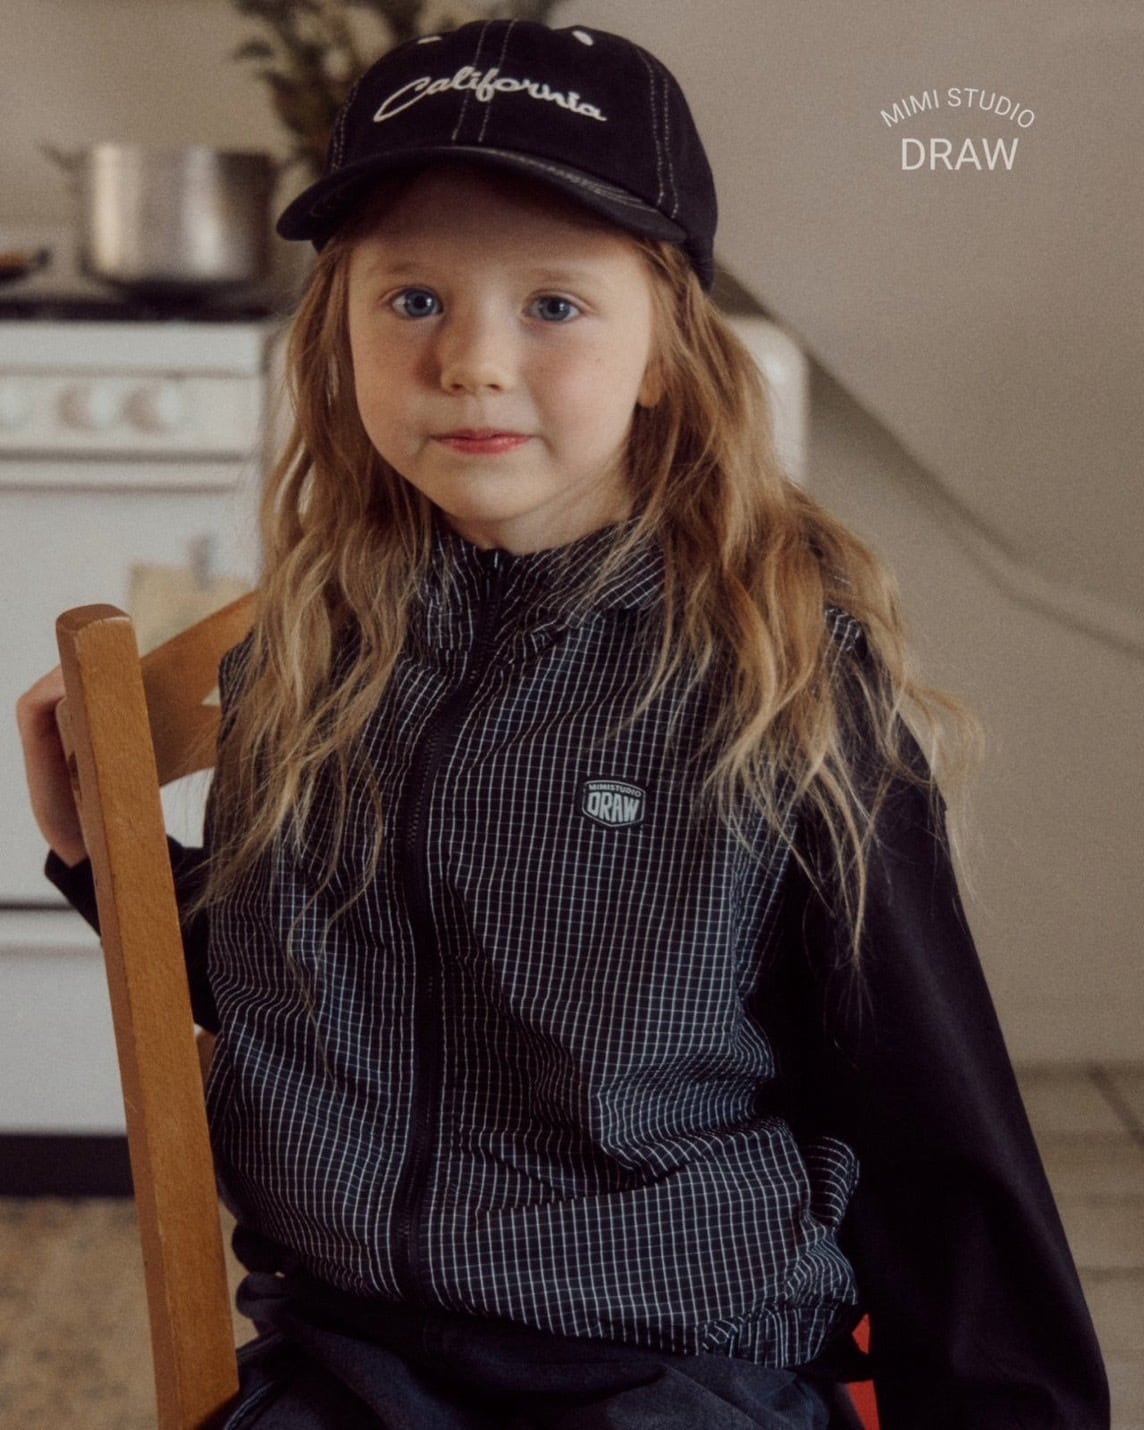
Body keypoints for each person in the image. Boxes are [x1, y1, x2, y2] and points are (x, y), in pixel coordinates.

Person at [16, 20, 1108, 1430]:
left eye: (553, 304)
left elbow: (936, 1118)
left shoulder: (775, 679)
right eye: (413, 298)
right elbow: (307, 996)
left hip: (674, 1363)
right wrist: (104, 860)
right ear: (337, 332)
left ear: (665, 352)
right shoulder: (309, 650)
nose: (472, 360)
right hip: (350, 1351)